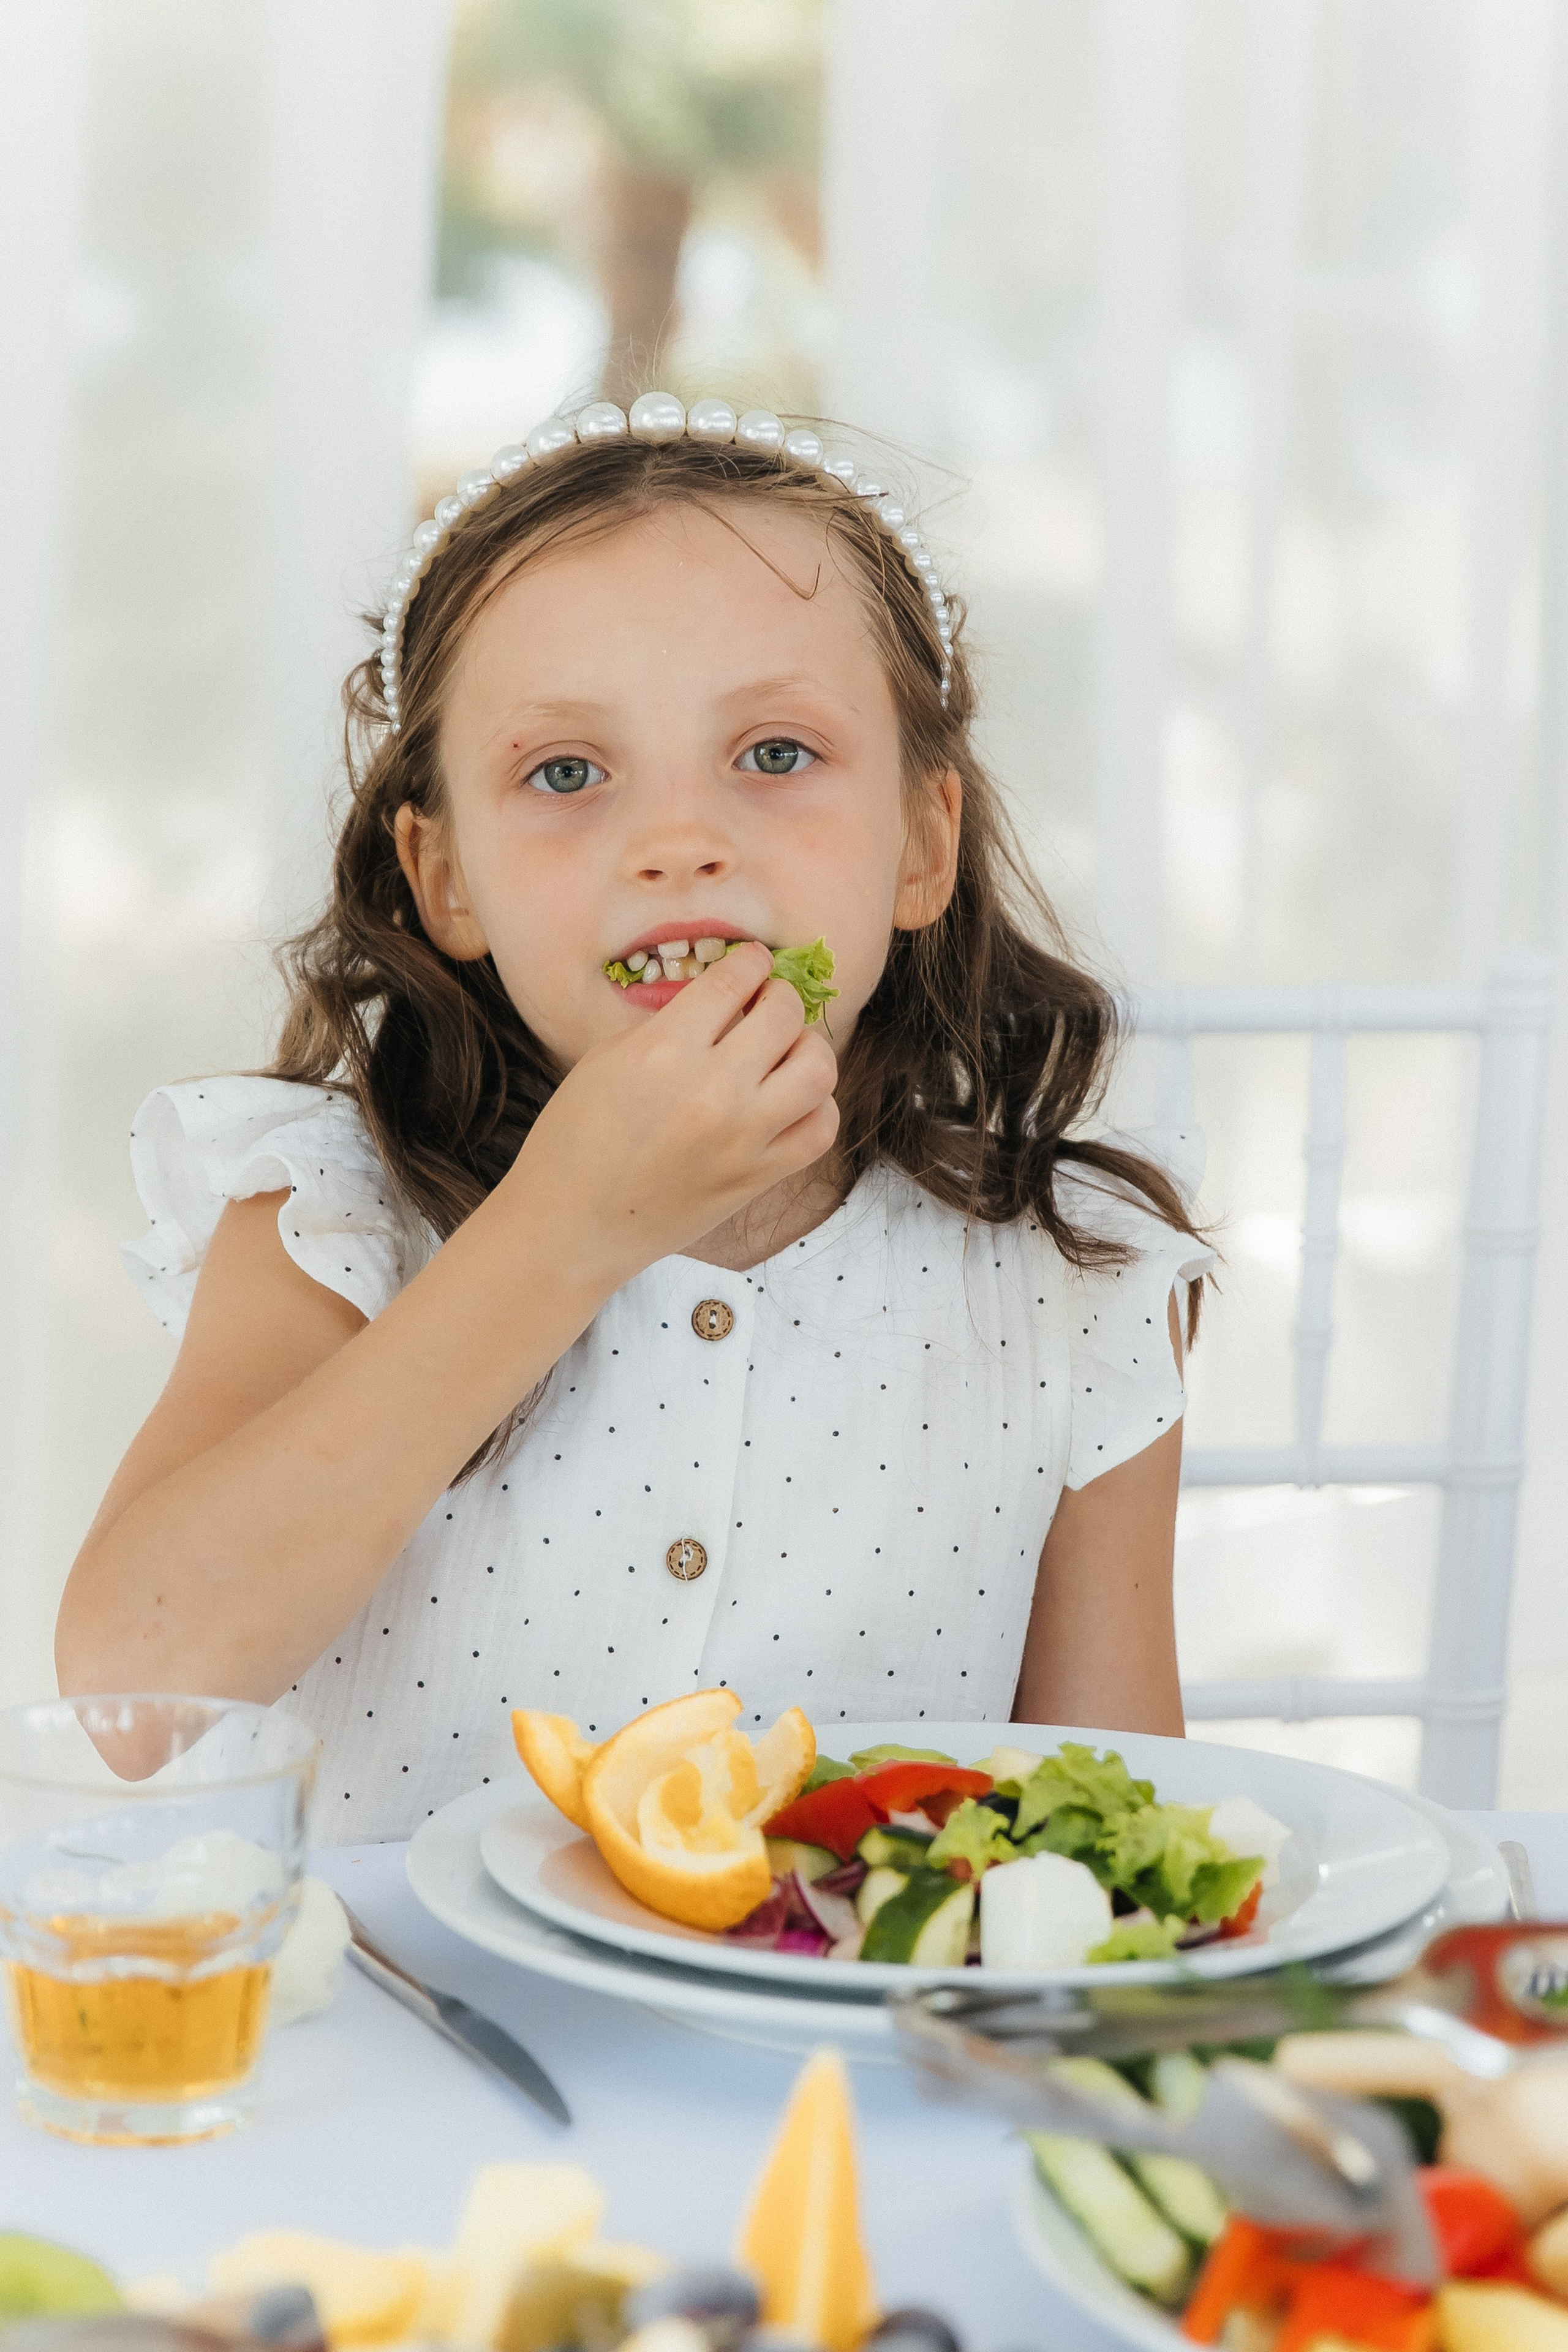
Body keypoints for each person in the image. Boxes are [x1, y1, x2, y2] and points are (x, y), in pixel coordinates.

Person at [56, 394, 1212, 1842]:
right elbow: (135, 1697)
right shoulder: (327, 1213)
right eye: (565, 774)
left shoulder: (1078, 1280)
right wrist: (562, 1229)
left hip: (831, 2069)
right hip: (406, 2048)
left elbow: (1111, 1848)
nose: (677, 841)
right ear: (445, 876)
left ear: (924, 842)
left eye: (775, 755)